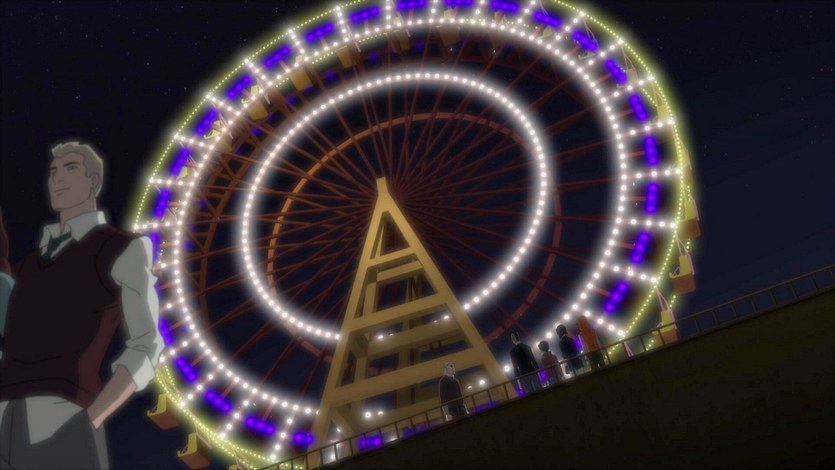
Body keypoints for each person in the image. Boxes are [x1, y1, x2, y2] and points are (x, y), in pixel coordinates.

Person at [0, 141, 165, 470]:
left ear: (94, 181)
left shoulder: (122, 248)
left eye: (70, 168)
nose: (57, 178)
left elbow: (147, 344)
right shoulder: (27, 266)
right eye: (52, 172)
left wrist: (92, 418)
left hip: (63, 421)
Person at [509, 330, 540, 395]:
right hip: (532, 371)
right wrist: (538, 372)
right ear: (519, 337)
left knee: (529, 394)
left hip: (523, 374)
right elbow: (533, 360)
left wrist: (518, 380)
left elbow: (515, 367)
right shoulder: (527, 347)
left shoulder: (512, 352)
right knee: (538, 390)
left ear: (512, 340)